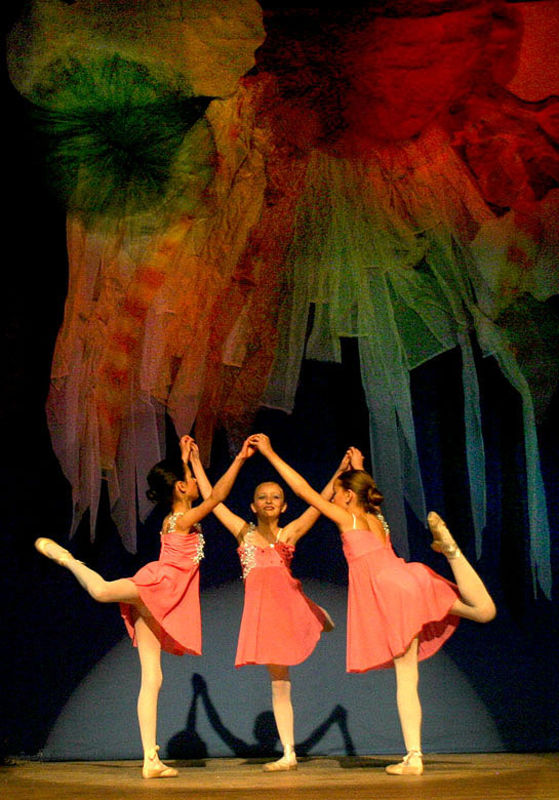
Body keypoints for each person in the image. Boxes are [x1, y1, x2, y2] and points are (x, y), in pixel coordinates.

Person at [249, 433, 497, 776]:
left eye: (338, 493)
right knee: (484, 611)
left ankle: (414, 757)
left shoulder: (348, 519)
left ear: (348, 496)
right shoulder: (377, 519)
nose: (334, 497)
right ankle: (452, 551)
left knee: (406, 678)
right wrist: (359, 468)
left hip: (391, 593)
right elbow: (363, 493)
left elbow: (304, 490)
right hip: (410, 577)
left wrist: (271, 454)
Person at [35, 434, 252, 779]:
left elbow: (204, 493)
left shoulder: (183, 514)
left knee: (153, 677)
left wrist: (189, 460)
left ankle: (151, 759)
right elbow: (217, 496)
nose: (197, 483)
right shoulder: (179, 520)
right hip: (160, 586)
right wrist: (239, 459)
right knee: (102, 591)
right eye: (191, 479)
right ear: (181, 487)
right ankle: (69, 560)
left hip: (166, 599)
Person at [189, 441, 347, 772]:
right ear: (253, 505)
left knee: (281, 678)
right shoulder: (243, 533)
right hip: (264, 617)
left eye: (276, 497)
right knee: (279, 683)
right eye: (262, 497)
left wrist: (341, 470)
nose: (269, 501)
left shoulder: (289, 534)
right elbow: (212, 500)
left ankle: (312, 613)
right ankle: (289, 753)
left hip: (286, 609)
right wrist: (196, 462)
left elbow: (319, 501)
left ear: (284, 506)